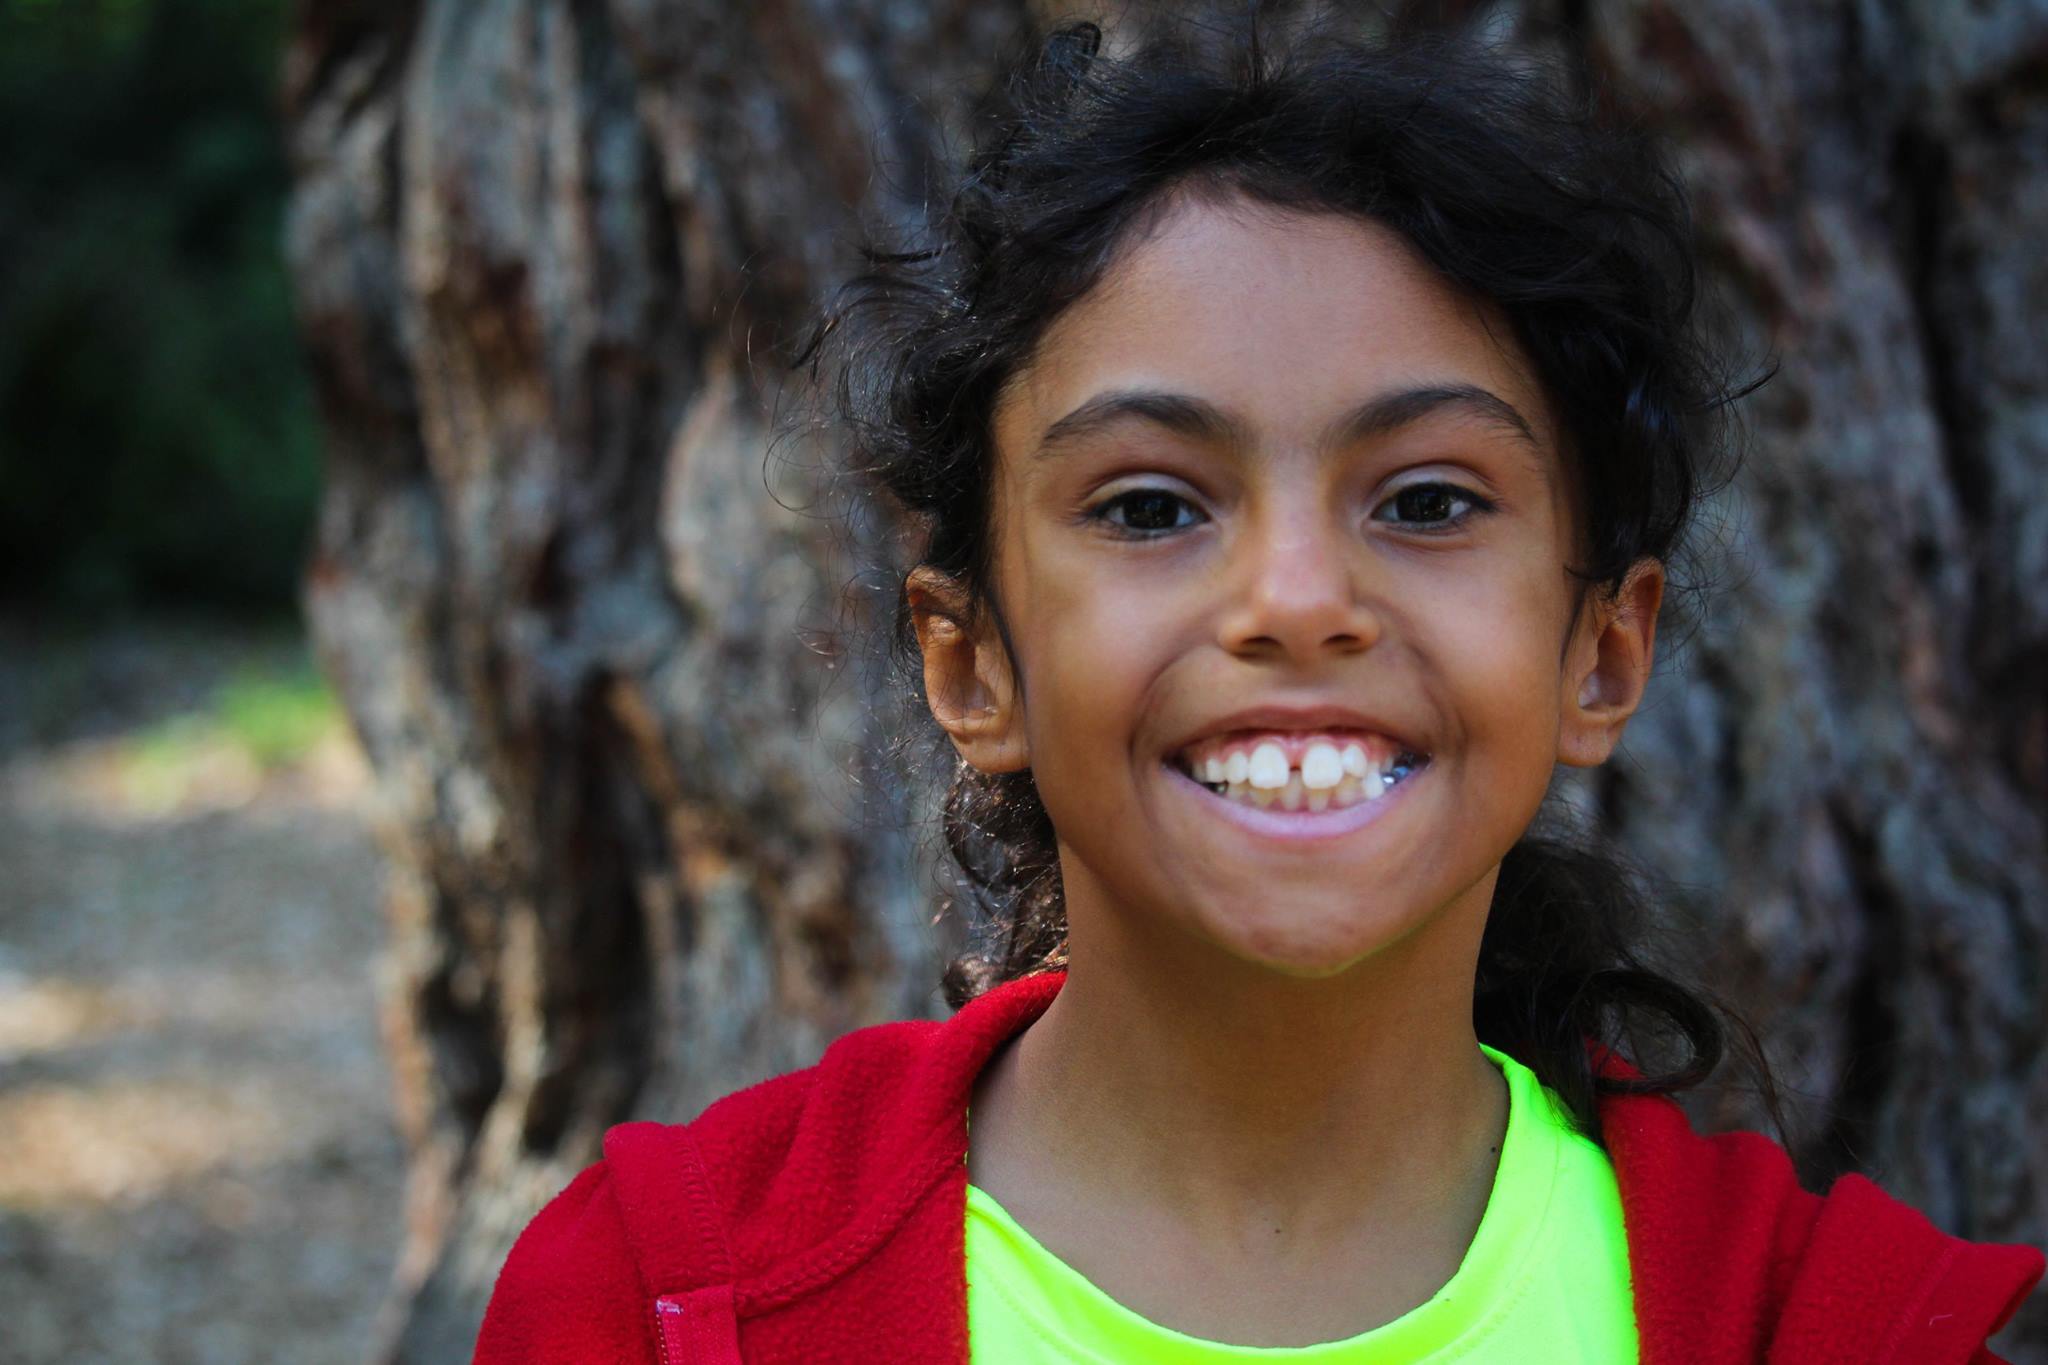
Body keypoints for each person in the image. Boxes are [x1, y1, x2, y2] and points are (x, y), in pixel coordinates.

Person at [471, 16, 2044, 1364]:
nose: (1296, 599)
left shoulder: (1822, 1327)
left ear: (1600, 655)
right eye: (1153, 505)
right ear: (971, 664)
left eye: (1427, 500)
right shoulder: (661, 1306)